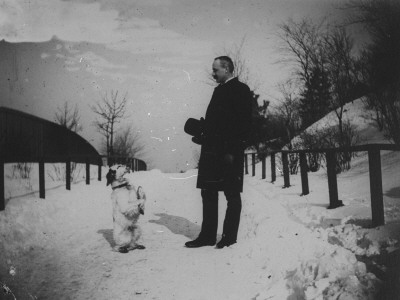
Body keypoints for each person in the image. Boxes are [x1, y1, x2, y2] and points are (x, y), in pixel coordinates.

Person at [185, 56, 252, 249]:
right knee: (208, 193)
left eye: (216, 70)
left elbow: (244, 125)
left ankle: (229, 237)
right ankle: (207, 236)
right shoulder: (219, 90)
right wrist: (202, 133)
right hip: (212, 152)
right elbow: (218, 124)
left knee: (231, 194)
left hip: (228, 154)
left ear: (227, 69)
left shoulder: (241, 90)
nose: (213, 73)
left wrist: (233, 151)